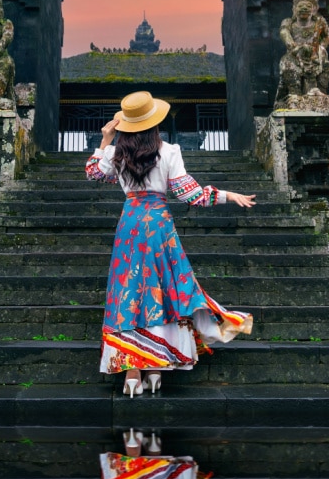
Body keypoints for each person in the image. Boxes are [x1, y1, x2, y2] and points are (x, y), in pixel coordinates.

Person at [85, 91, 256, 397]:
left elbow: (93, 172)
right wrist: (229, 195)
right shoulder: (169, 151)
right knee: (162, 290)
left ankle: (132, 371)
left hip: (130, 226)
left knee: (128, 291)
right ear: (154, 122)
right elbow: (192, 195)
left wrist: (105, 139)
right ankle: (155, 369)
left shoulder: (116, 154)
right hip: (159, 227)